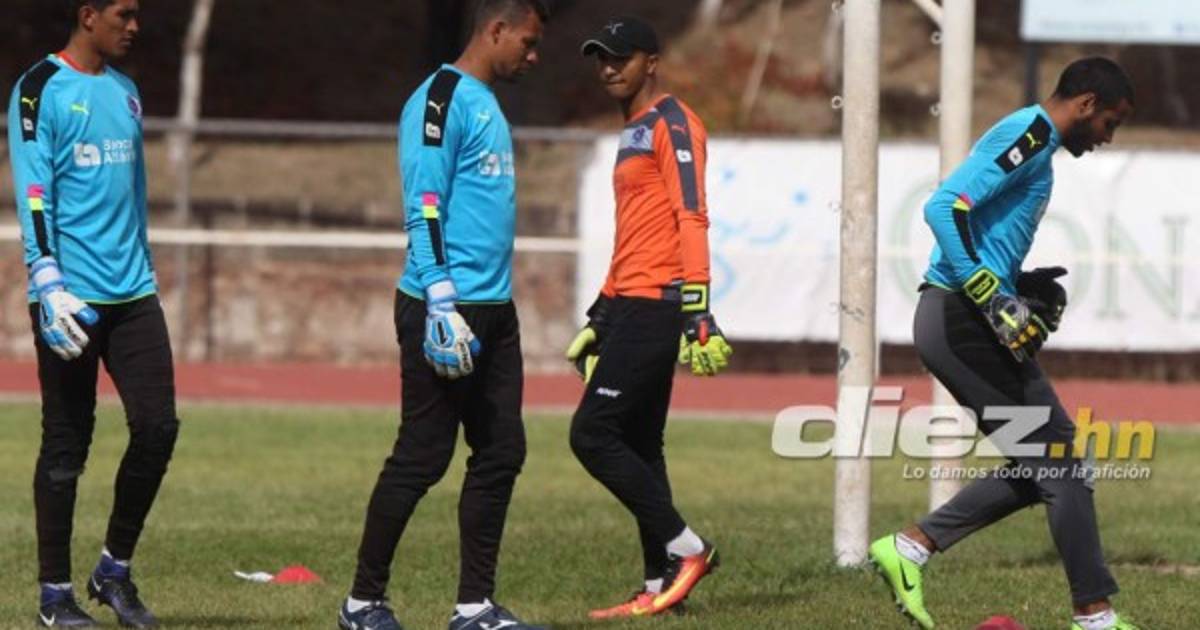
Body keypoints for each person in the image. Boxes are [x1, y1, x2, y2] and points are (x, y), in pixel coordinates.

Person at [868, 57, 1138, 630]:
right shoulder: (1030, 135)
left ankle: (911, 546)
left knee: (1054, 461)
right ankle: (1094, 616)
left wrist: (1017, 283)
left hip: (964, 317)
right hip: (960, 319)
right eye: (1109, 123)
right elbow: (944, 207)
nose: (1108, 138)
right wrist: (989, 291)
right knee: (1060, 462)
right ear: (1086, 104)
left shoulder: (1037, 144)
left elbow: (980, 233)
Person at [336, 2, 549, 629]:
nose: (533, 56)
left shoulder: (488, 102)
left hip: (495, 309)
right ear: (496, 30)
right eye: (528, 43)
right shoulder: (439, 99)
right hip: (445, 308)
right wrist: (440, 299)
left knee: (502, 451)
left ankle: (473, 606)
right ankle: (361, 603)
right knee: (422, 456)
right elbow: (423, 204)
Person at [7, 1, 177, 627]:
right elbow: (34, 192)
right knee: (66, 442)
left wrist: (145, 267)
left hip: (133, 295)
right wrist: (46, 278)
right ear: (88, 15)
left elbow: (134, 193)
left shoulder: (127, 91)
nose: (134, 27)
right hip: (68, 298)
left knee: (158, 428)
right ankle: (54, 595)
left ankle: (113, 570)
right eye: (124, 14)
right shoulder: (38, 89)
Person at [567, 16, 731, 620]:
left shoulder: (673, 123)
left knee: (591, 435)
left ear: (652, 63)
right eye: (601, 57)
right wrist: (601, 314)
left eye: (622, 57)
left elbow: (693, 216)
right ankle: (658, 586)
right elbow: (634, 234)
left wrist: (697, 309)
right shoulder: (632, 129)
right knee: (640, 443)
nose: (609, 67)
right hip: (631, 302)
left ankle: (689, 550)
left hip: (660, 303)